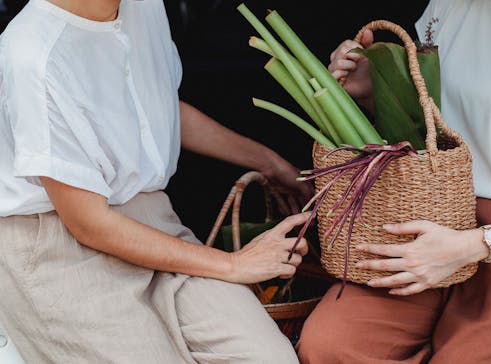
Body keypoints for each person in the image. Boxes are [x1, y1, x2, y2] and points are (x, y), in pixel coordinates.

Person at [0, 0, 313, 363]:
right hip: (60, 249)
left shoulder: (143, 7)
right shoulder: (33, 56)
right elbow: (89, 225)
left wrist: (270, 163)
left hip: (154, 226)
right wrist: (233, 264)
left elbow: (156, 107)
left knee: (267, 358)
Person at [298, 0, 491, 363]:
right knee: (330, 345)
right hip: (431, 219)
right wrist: (368, 88)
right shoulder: (449, 5)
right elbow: (431, 125)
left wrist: (470, 245)